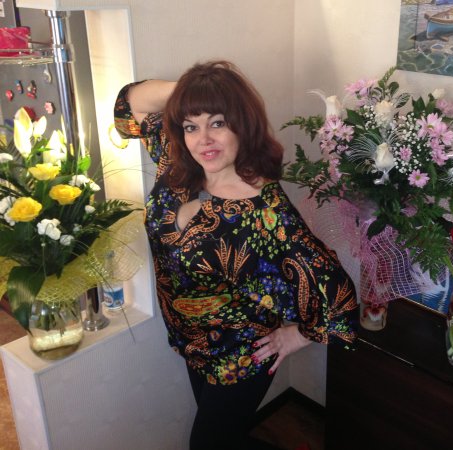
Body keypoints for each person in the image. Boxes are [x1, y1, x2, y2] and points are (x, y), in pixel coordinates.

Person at [114, 60, 358, 450]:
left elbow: (338, 296)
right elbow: (128, 106)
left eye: (218, 122)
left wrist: (296, 336)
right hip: (192, 341)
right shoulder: (176, 162)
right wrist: (195, 91)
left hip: (241, 355)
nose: (204, 139)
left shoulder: (264, 211)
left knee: (206, 444)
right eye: (191, 125)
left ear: (242, 124)